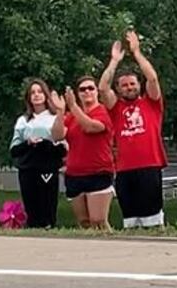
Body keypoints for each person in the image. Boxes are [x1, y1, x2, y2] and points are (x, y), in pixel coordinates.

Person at [98, 30, 167, 229]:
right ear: (119, 89)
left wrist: (137, 53)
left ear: (139, 85)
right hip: (125, 169)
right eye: (124, 85)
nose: (129, 87)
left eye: (132, 84)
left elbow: (152, 79)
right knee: (131, 219)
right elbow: (102, 88)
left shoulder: (151, 104)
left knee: (152, 218)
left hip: (150, 166)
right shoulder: (116, 108)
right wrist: (114, 61)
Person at [50, 77, 115, 229]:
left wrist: (72, 106)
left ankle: (110, 246)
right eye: (82, 89)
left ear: (97, 92)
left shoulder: (104, 112)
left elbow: (91, 127)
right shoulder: (71, 116)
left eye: (91, 88)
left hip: (99, 172)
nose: (87, 92)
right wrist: (60, 112)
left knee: (98, 220)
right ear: (77, 93)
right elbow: (57, 135)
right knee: (84, 222)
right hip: (75, 174)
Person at [9, 79, 66, 228]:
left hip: (47, 168)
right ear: (28, 98)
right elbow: (14, 150)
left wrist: (47, 143)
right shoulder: (23, 121)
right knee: (31, 206)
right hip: (28, 168)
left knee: (47, 205)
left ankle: (49, 228)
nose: (36, 95)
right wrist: (28, 143)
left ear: (46, 95)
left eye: (40, 91)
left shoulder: (55, 118)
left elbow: (63, 146)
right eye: (32, 92)